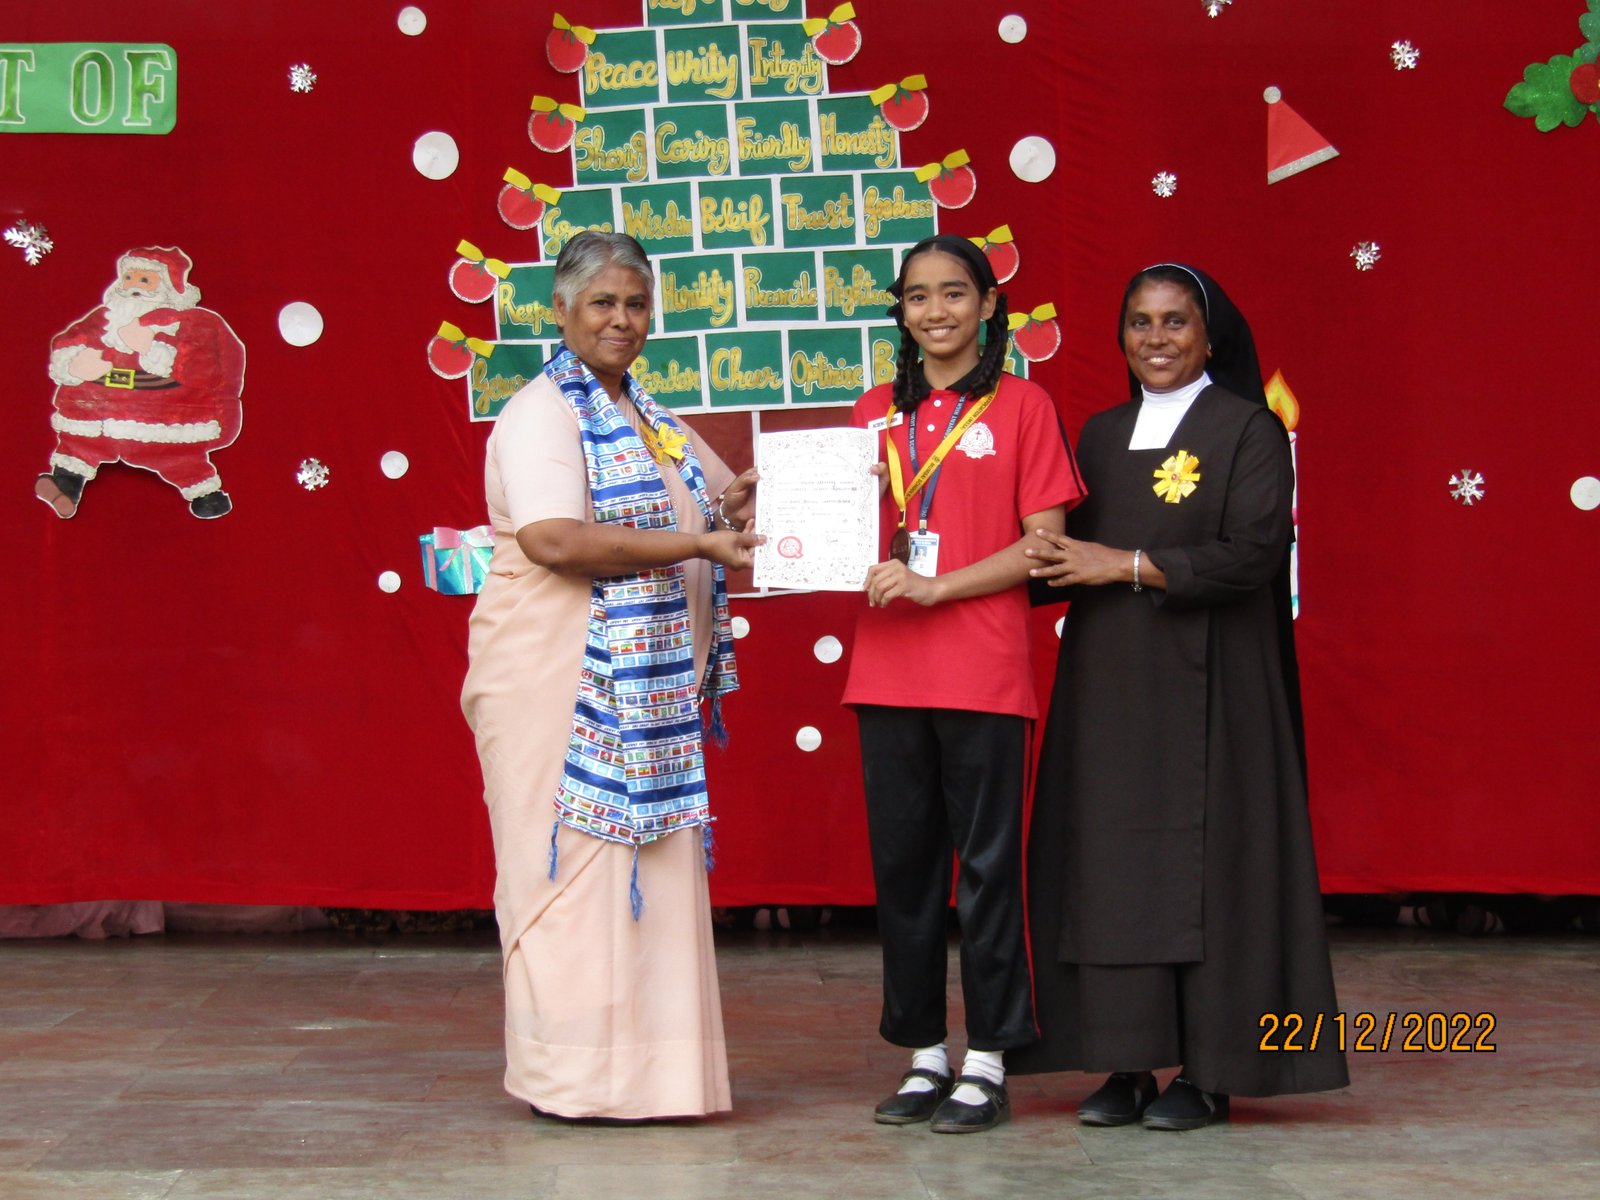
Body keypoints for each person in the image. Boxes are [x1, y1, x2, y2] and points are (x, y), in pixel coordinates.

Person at [1012, 263, 1348, 1129]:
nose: (1155, 339)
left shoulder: (1249, 428)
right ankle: (1124, 1061)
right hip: (1109, 688)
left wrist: (1125, 565)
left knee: (1213, 869)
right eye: (1140, 322)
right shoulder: (1098, 433)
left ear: (1209, 335)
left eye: (1174, 322)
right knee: (1108, 867)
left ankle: (1209, 1072)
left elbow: (1254, 553)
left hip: (1217, 688)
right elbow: (1052, 556)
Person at [460, 231, 762, 1121]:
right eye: (602, 303)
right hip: (555, 682)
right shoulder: (541, 412)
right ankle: (572, 1081)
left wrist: (755, 500)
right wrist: (698, 540)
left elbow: (716, 502)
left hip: (645, 690)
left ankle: (658, 1082)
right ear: (561, 311)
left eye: (636, 304)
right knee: (569, 878)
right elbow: (555, 540)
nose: (622, 320)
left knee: (652, 879)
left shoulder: (650, 416)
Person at [841, 234, 1084, 1133]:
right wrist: (784, 508)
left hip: (983, 672)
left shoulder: (1023, 405)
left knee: (986, 872)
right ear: (900, 312)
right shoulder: (872, 413)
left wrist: (938, 586)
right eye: (917, 296)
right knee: (904, 873)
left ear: (987, 305)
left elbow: (1047, 543)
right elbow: (833, 535)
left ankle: (988, 1056)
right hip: (885, 671)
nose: (935, 311)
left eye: (954, 293)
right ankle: (922, 1053)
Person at [35, 246, 244, 519]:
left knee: (178, 458)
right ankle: (64, 487)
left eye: (145, 280)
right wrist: (74, 363)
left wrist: (150, 348)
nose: (134, 286)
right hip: (99, 415)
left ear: (169, 287)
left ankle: (205, 494)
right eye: (129, 278)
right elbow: (71, 340)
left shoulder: (193, 322)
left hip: (162, 418)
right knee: (79, 447)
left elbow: (204, 369)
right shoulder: (103, 318)